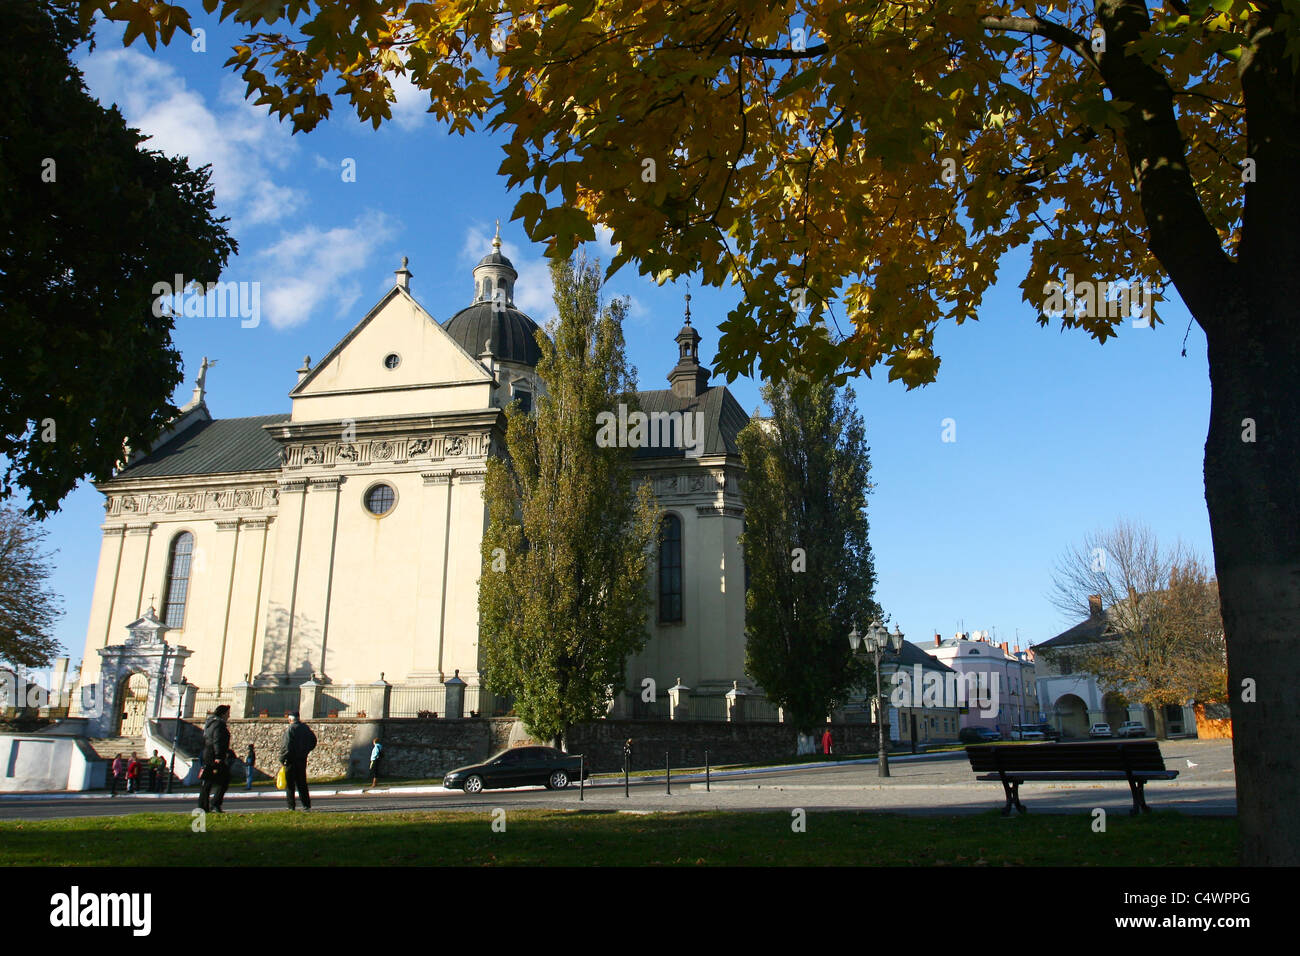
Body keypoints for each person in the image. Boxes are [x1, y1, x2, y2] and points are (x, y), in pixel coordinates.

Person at [199, 704, 233, 813]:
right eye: (228, 713)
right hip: (214, 756)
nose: (229, 716)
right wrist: (218, 756)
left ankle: (204, 806)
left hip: (207, 754)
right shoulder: (219, 725)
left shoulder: (210, 724)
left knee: (208, 782)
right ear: (223, 714)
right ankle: (215, 803)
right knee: (224, 780)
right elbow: (217, 740)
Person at [279, 711, 317, 811]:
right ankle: (306, 805)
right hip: (302, 759)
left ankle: (291, 806)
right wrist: (306, 750)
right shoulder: (306, 728)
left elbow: (286, 746)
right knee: (302, 783)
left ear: (290, 719)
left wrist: (282, 759)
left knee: (290, 785)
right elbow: (313, 741)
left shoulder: (290, 729)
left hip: (291, 760)